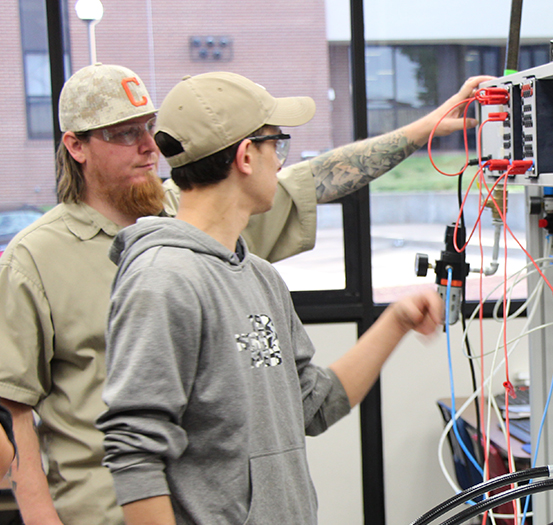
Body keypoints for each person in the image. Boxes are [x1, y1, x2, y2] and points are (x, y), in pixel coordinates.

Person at [0, 62, 491, 525]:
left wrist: (425, 129)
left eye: (150, 128)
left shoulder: (229, 250)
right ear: (76, 146)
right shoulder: (106, 266)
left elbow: (310, 402)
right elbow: (50, 420)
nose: (148, 147)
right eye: (125, 133)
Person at [96, 71, 444, 525]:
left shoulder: (258, 276)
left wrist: (395, 321)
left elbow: (313, 405)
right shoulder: (162, 279)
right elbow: (134, 452)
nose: (279, 163)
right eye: (275, 144)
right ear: (245, 156)